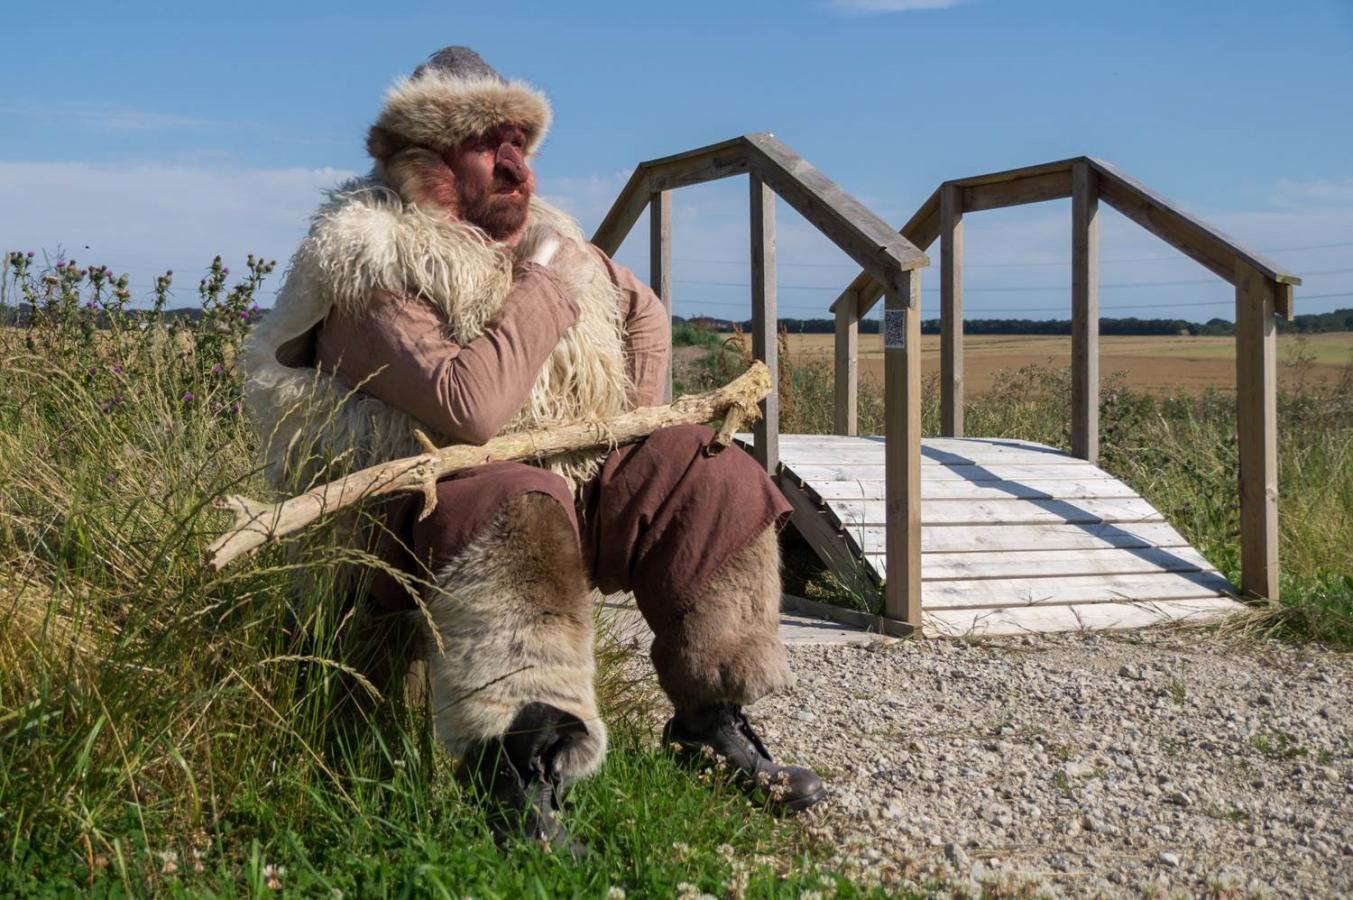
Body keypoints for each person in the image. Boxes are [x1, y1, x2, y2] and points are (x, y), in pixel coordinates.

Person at [241, 46, 825, 852]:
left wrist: (631, 433)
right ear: (425, 161)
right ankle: (517, 781)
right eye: (488, 142)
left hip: (550, 486)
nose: (517, 166)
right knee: (511, 496)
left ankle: (707, 722)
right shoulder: (369, 262)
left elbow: (642, 307)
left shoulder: (547, 239)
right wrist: (544, 285)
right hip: (404, 520)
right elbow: (467, 410)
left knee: (708, 471)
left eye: (521, 139)